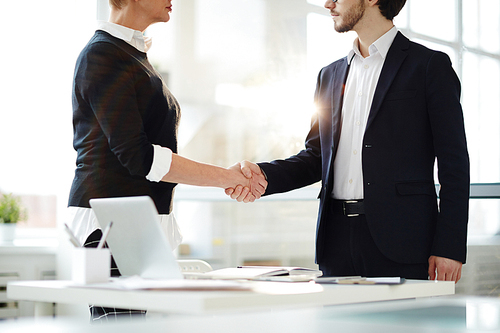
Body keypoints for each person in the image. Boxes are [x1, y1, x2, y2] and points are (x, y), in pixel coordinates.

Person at [228, 0, 469, 283]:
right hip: (336, 240)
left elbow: (454, 164)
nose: (329, 3)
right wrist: (265, 175)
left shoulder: (429, 66)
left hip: (403, 241)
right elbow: (317, 157)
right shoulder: (329, 75)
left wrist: (449, 247)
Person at [67, 0, 266, 321]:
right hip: (111, 223)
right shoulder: (103, 54)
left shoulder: (130, 54)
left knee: (128, 325)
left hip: (131, 222)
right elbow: (139, 157)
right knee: (120, 326)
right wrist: (227, 177)